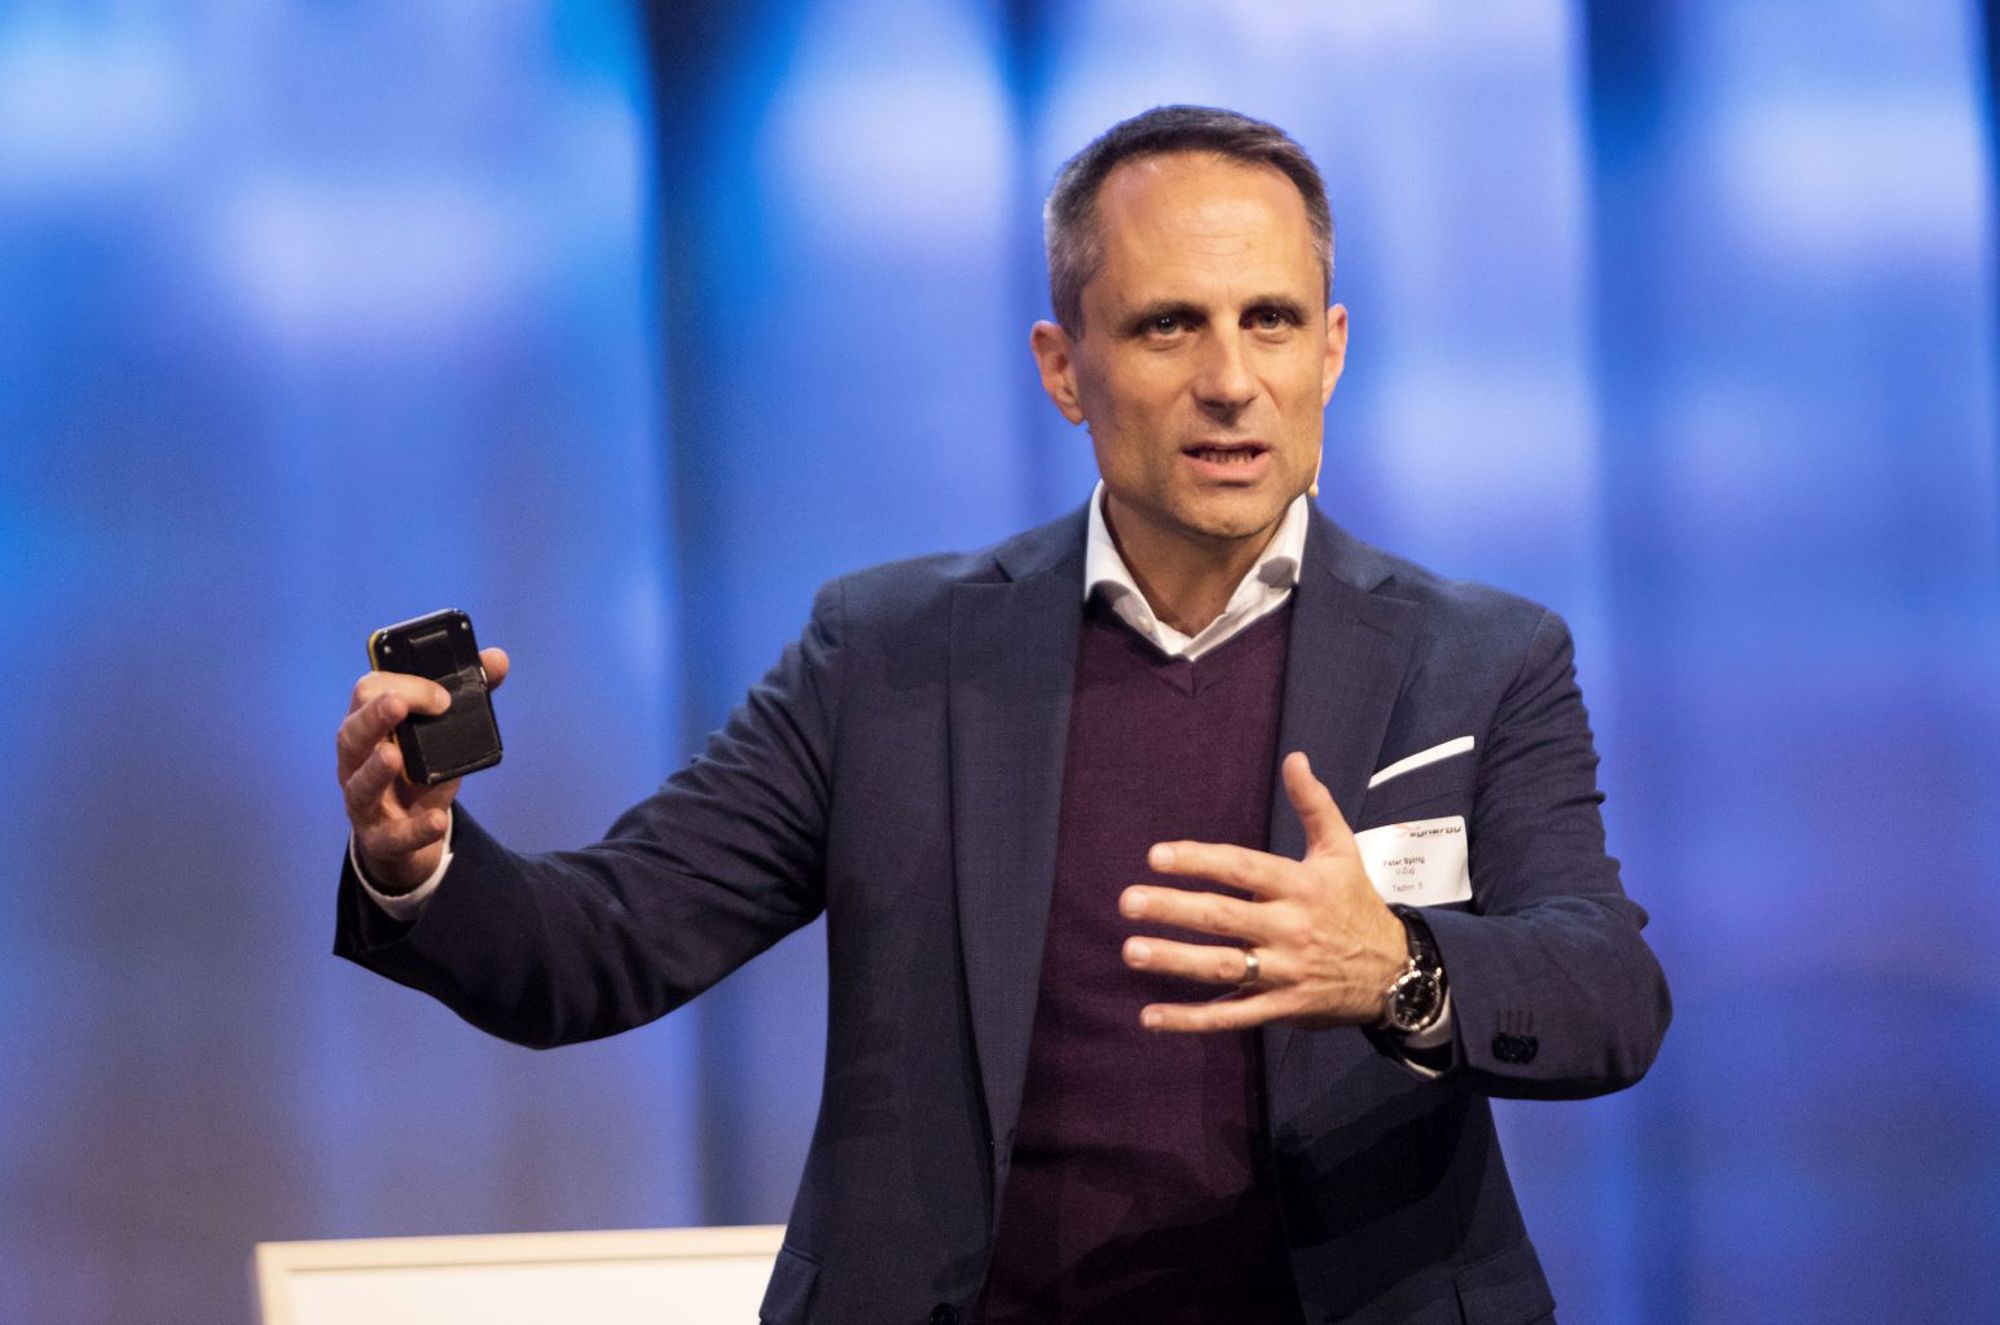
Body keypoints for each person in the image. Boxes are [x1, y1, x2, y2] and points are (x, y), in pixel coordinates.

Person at [334, 106, 1669, 1324]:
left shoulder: (1479, 658)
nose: (1229, 379)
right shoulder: (889, 655)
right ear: (1063, 367)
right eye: (1168, 325)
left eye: (1270, 320)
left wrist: (1396, 968)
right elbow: (604, 942)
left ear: (1330, 351)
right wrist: (418, 862)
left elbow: (1608, 991)